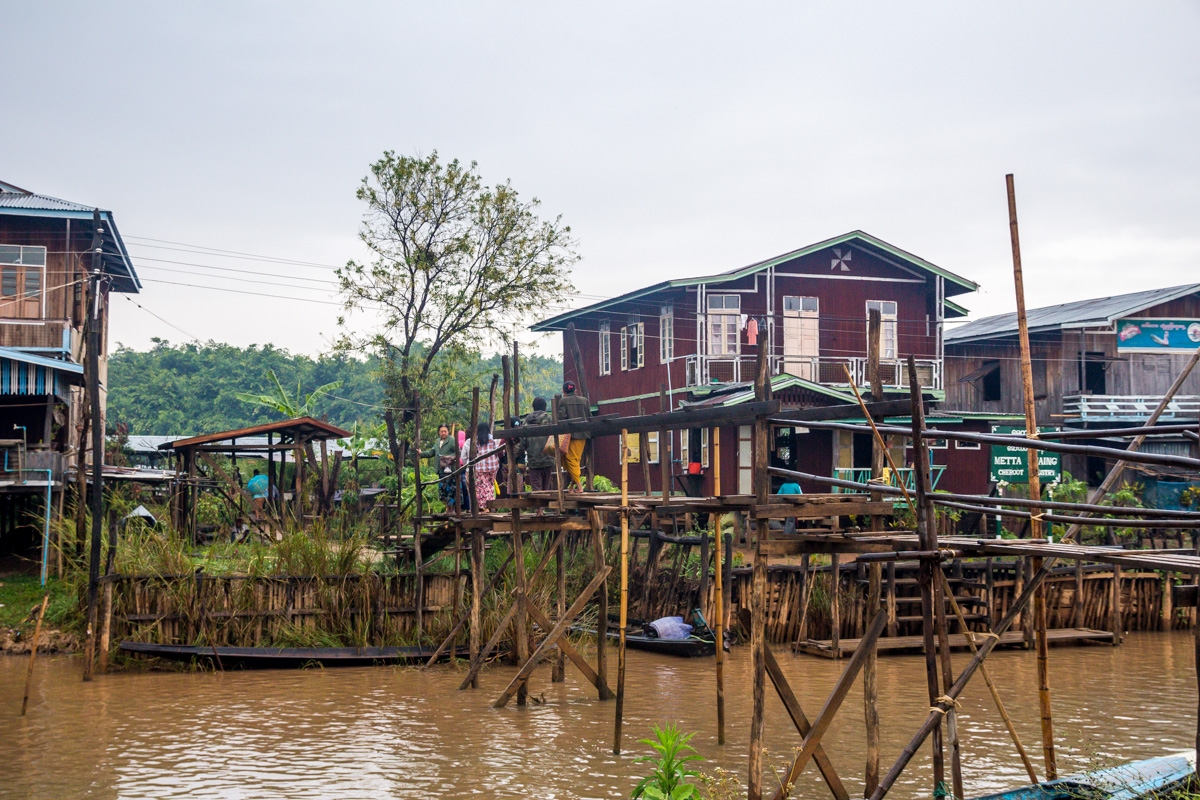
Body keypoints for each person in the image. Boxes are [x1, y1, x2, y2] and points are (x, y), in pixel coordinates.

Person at [460, 421, 503, 512]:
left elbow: (463, 457)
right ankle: (489, 505)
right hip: (493, 468)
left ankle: (482, 507)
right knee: (489, 486)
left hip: (479, 468)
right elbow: (499, 452)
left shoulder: (472, 441)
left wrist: (467, 465)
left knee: (479, 488)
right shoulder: (494, 439)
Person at [557, 381, 590, 492]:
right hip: (583, 434)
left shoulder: (563, 401)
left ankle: (579, 487)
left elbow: (561, 418)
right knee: (575, 460)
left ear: (563, 391)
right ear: (575, 390)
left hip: (570, 436)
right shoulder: (584, 401)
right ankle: (571, 487)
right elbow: (589, 417)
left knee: (571, 459)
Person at [515, 397, 554, 492]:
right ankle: (544, 506)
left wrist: (515, 455)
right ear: (545, 407)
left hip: (534, 460)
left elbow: (522, 442)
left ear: (533, 407)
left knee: (536, 488)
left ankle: (539, 507)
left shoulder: (526, 422)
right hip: (548, 458)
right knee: (546, 487)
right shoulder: (550, 419)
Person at [422, 424, 460, 509]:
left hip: (450, 469)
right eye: (441, 431)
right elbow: (431, 453)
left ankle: (452, 510)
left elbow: (458, 452)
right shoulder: (437, 441)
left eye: (445, 431)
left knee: (451, 489)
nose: (443, 433)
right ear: (439, 432)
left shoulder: (452, 440)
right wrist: (421, 453)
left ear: (448, 431)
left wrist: (447, 457)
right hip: (441, 470)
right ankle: (447, 509)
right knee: (443, 490)